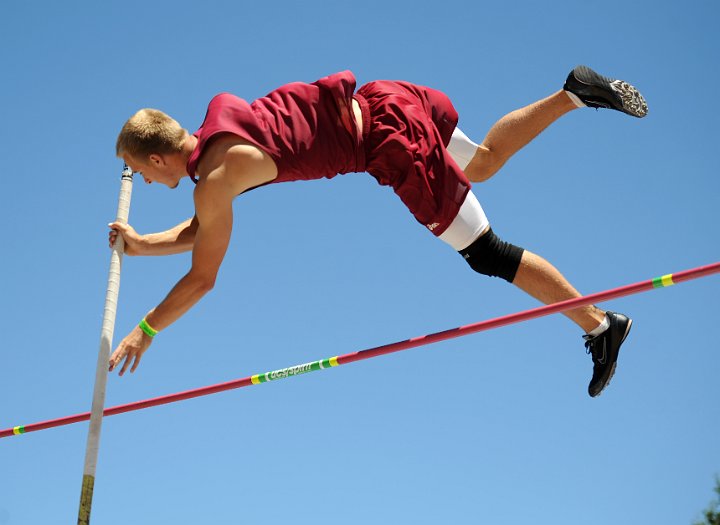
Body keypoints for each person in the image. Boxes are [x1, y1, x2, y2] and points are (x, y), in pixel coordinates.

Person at [109, 65, 647, 397]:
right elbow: (203, 227)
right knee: (480, 161)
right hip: (387, 99)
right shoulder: (220, 118)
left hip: (390, 145)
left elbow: (204, 274)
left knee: (488, 254)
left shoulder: (215, 182)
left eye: (146, 174)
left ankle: (601, 326)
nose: (153, 184)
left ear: (157, 159)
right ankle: (574, 93)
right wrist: (139, 245)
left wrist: (147, 330)